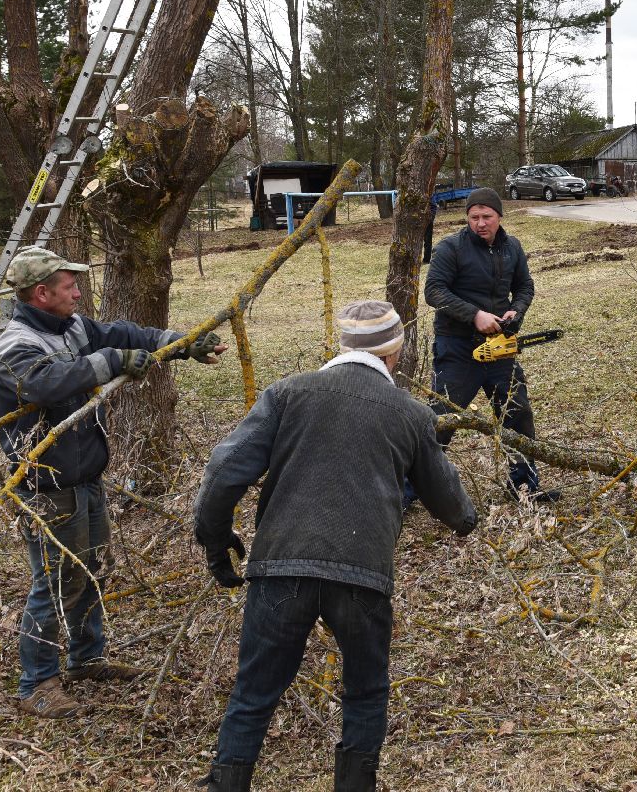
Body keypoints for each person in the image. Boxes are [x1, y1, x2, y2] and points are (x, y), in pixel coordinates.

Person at [194, 300, 477, 792]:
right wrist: (466, 521)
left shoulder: (287, 394)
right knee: (365, 691)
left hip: (282, 567)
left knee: (255, 692)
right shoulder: (411, 415)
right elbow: (450, 501)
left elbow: (222, 474)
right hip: (362, 573)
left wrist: (217, 545)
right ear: (396, 353)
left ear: (342, 345)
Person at [0, 245, 226, 719]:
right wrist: (114, 361)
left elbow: (121, 333)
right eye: (69, 286)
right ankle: (36, 681)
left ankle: (86, 660)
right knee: (56, 581)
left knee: (91, 568)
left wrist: (180, 343)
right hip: (48, 486)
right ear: (41, 293)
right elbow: (53, 381)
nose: (78, 292)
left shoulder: (71, 325)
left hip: (85, 475)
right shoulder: (14, 348)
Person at [424, 187, 557, 503]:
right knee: (442, 419)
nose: (480, 223)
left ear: (499, 216)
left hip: (500, 346)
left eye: (486, 217)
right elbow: (434, 291)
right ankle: (409, 489)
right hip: (457, 348)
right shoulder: (450, 248)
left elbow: (524, 286)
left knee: (518, 412)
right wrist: (474, 315)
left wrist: (517, 311)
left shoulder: (512, 247)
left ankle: (524, 486)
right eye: (474, 217)